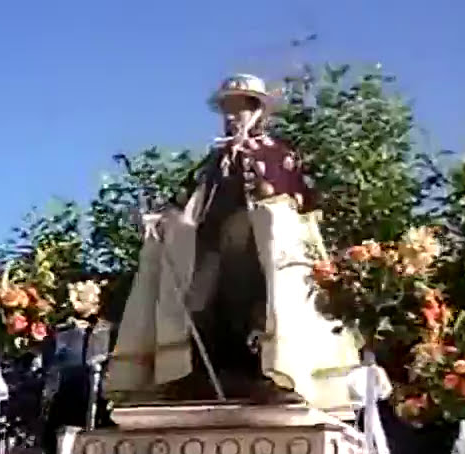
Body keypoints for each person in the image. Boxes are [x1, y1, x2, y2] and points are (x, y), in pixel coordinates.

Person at [106, 73, 360, 409]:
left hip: (256, 256)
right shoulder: (213, 160)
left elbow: (295, 202)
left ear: (257, 112)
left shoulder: (277, 155)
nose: (231, 116)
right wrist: (160, 219)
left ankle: (269, 376)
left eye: (239, 108)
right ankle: (193, 376)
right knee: (197, 304)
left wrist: (265, 197)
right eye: (227, 109)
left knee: (257, 309)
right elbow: (184, 202)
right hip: (208, 249)